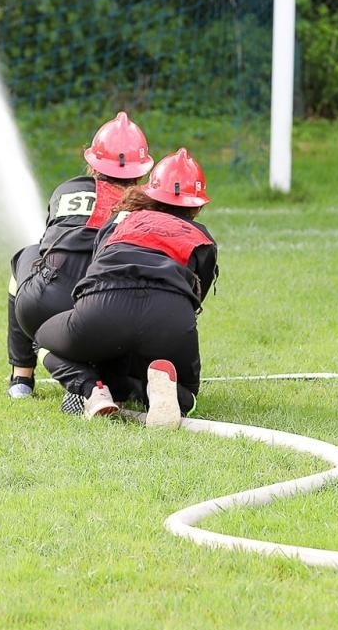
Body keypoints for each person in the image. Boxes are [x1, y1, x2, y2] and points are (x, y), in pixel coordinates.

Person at [35, 147, 217, 429]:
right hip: (170, 319)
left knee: (42, 339)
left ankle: (92, 389)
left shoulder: (120, 219)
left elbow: (95, 268)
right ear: (197, 205)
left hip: (103, 308)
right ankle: (156, 388)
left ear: (152, 192)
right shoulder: (202, 237)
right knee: (189, 394)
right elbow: (194, 299)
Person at [4, 111, 154, 399]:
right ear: (142, 170)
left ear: (93, 163)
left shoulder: (67, 189)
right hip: (106, 314)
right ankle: (102, 376)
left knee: (26, 256)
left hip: (43, 307)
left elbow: (49, 245)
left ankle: (21, 377)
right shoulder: (146, 207)